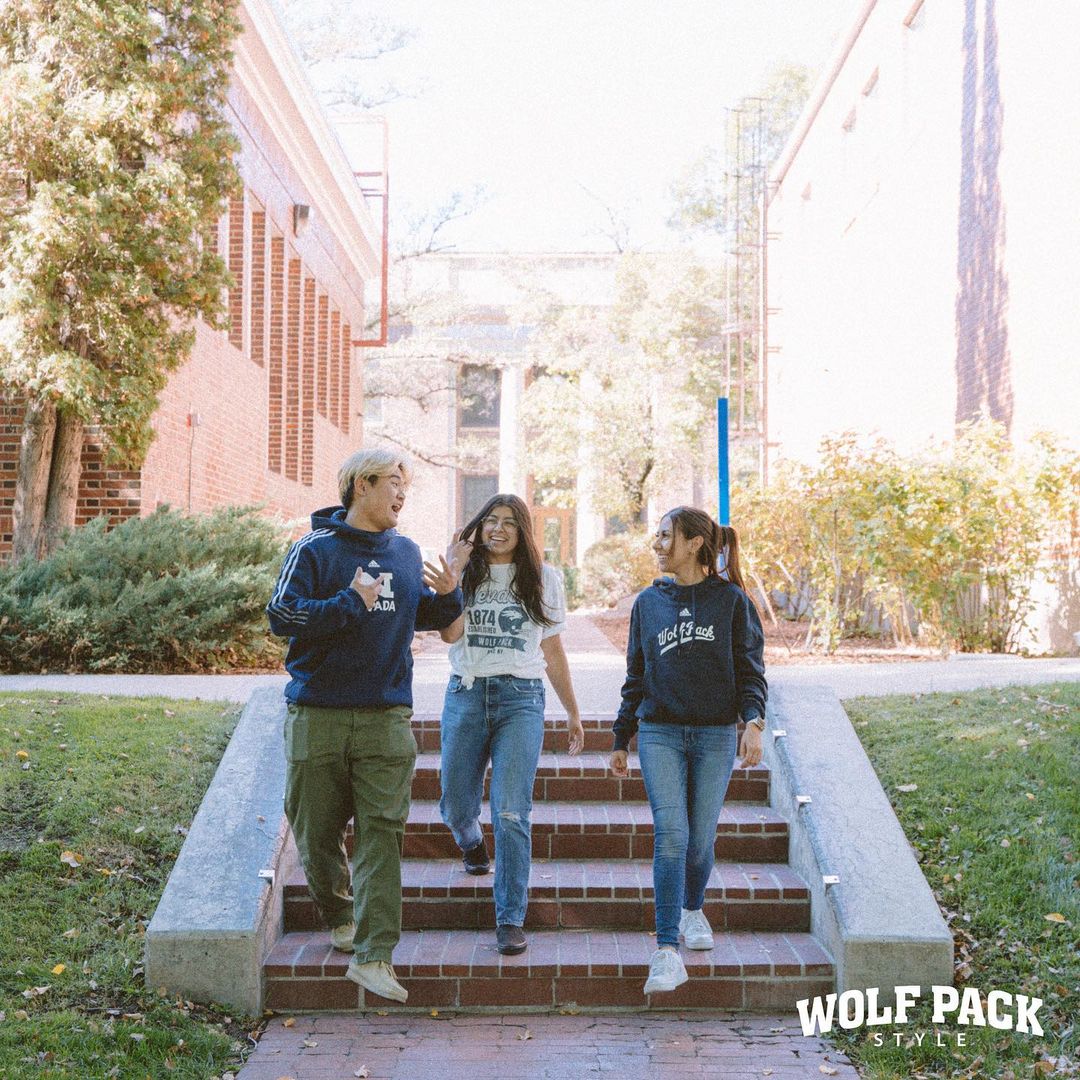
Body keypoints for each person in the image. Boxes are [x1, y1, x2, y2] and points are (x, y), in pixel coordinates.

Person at [266, 448, 468, 1004]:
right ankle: (340, 914)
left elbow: (430, 619)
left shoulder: (405, 552)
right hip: (318, 714)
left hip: (385, 717)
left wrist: (451, 591)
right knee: (315, 832)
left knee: (382, 835)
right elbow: (281, 616)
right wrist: (349, 602)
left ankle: (374, 955)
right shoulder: (314, 548)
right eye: (393, 483)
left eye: (406, 485)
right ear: (361, 484)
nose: (402, 494)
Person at [608, 507, 767, 996]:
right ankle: (666, 950)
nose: (657, 544)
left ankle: (692, 908)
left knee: (700, 841)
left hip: (715, 734)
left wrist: (753, 722)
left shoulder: (732, 602)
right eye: (656, 536)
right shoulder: (648, 603)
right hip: (660, 733)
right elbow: (636, 674)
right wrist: (621, 736)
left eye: (665, 536)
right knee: (672, 836)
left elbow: (751, 670)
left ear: (695, 543)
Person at [437, 494, 584, 955]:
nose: (498, 529)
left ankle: (510, 917)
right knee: (455, 803)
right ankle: (470, 842)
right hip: (466, 693)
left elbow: (553, 649)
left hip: (521, 699)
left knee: (511, 810)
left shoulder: (543, 578)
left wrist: (572, 711)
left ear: (523, 531)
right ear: (478, 527)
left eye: (509, 523)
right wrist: (453, 575)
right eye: (491, 521)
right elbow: (450, 633)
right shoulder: (465, 572)